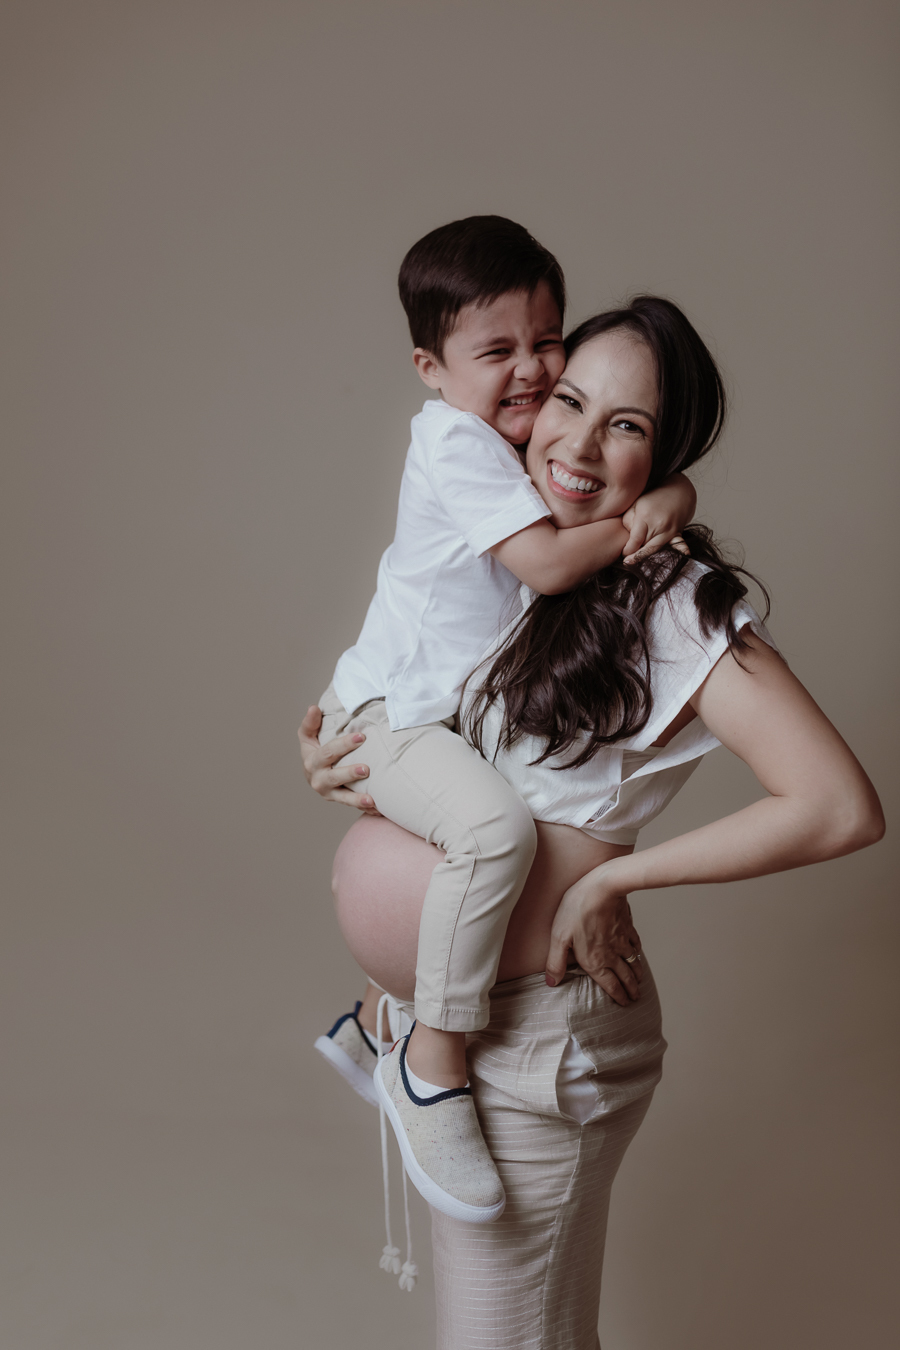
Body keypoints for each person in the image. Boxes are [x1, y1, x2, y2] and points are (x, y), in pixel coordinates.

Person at [300, 296, 884, 1348]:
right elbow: (422, 711)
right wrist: (338, 757)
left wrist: (614, 880)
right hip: (463, 1026)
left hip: (541, 1038)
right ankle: (395, 1033)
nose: (576, 441)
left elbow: (838, 806)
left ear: (664, 454)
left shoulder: (675, 599)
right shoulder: (521, 560)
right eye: (568, 401)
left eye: (627, 425)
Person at [311, 217, 696, 1221]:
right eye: (497, 352)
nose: (530, 370)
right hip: (394, 711)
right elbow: (552, 563)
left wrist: (675, 483)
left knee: (483, 816)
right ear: (431, 370)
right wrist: (655, 512)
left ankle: (371, 1023)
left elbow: (620, 447)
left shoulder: (518, 440)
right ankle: (430, 1064)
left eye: (547, 341)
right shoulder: (455, 442)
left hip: (429, 713)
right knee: (492, 831)